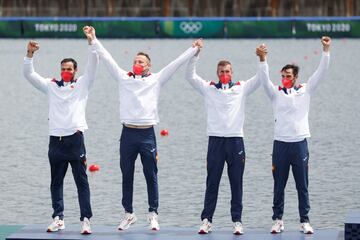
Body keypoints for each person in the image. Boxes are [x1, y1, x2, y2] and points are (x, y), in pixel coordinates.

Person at [82, 26, 201, 231]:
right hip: (128, 133)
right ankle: (128, 213)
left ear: (148, 66)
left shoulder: (156, 79)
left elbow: (176, 64)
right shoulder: (123, 77)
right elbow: (107, 57)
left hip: (147, 134)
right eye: (135, 61)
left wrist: (194, 50)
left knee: (150, 175)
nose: (137, 64)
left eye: (141, 62)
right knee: (126, 175)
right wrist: (93, 39)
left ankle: (153, 214)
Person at [185, 40, 268, 235]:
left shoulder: (241, 88)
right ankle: (206, 220)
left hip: (235, 141)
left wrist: (262, 59)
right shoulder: (208, 88)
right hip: (215, 141)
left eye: (227, 72)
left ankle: (237, 221)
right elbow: (189, 76)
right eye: (221, 72)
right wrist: (195, 55)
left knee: (236, 183)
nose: (224, 75)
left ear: (232, 73)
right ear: (217, 74)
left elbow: (262, 79)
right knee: (212, 182)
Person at [22, 26, 99, 234]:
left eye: (69, 69)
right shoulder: (51, 85)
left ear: (75, 71)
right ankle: (58, 218)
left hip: (75, 139)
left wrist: (92, 41)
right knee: (56, 182)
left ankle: (85, 219)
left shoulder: (83, 84)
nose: (66, 72)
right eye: (63, 68)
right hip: (55, 141)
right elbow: (29, 74)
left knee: (81, 182)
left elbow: (93, 65)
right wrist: (29, 54)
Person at [259, 36, 331, 234]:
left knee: (302, 185)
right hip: (280, 145)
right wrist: (263, 60)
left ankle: (304, 221)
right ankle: (277, 220)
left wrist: (326, 50)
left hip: (299, 144)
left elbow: (321, 72)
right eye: (283, 75)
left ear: (295, 77)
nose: (285, 79)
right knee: (279, 185)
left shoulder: (306, 90)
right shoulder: (275, 93)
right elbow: (264, 80)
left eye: (289, 76)